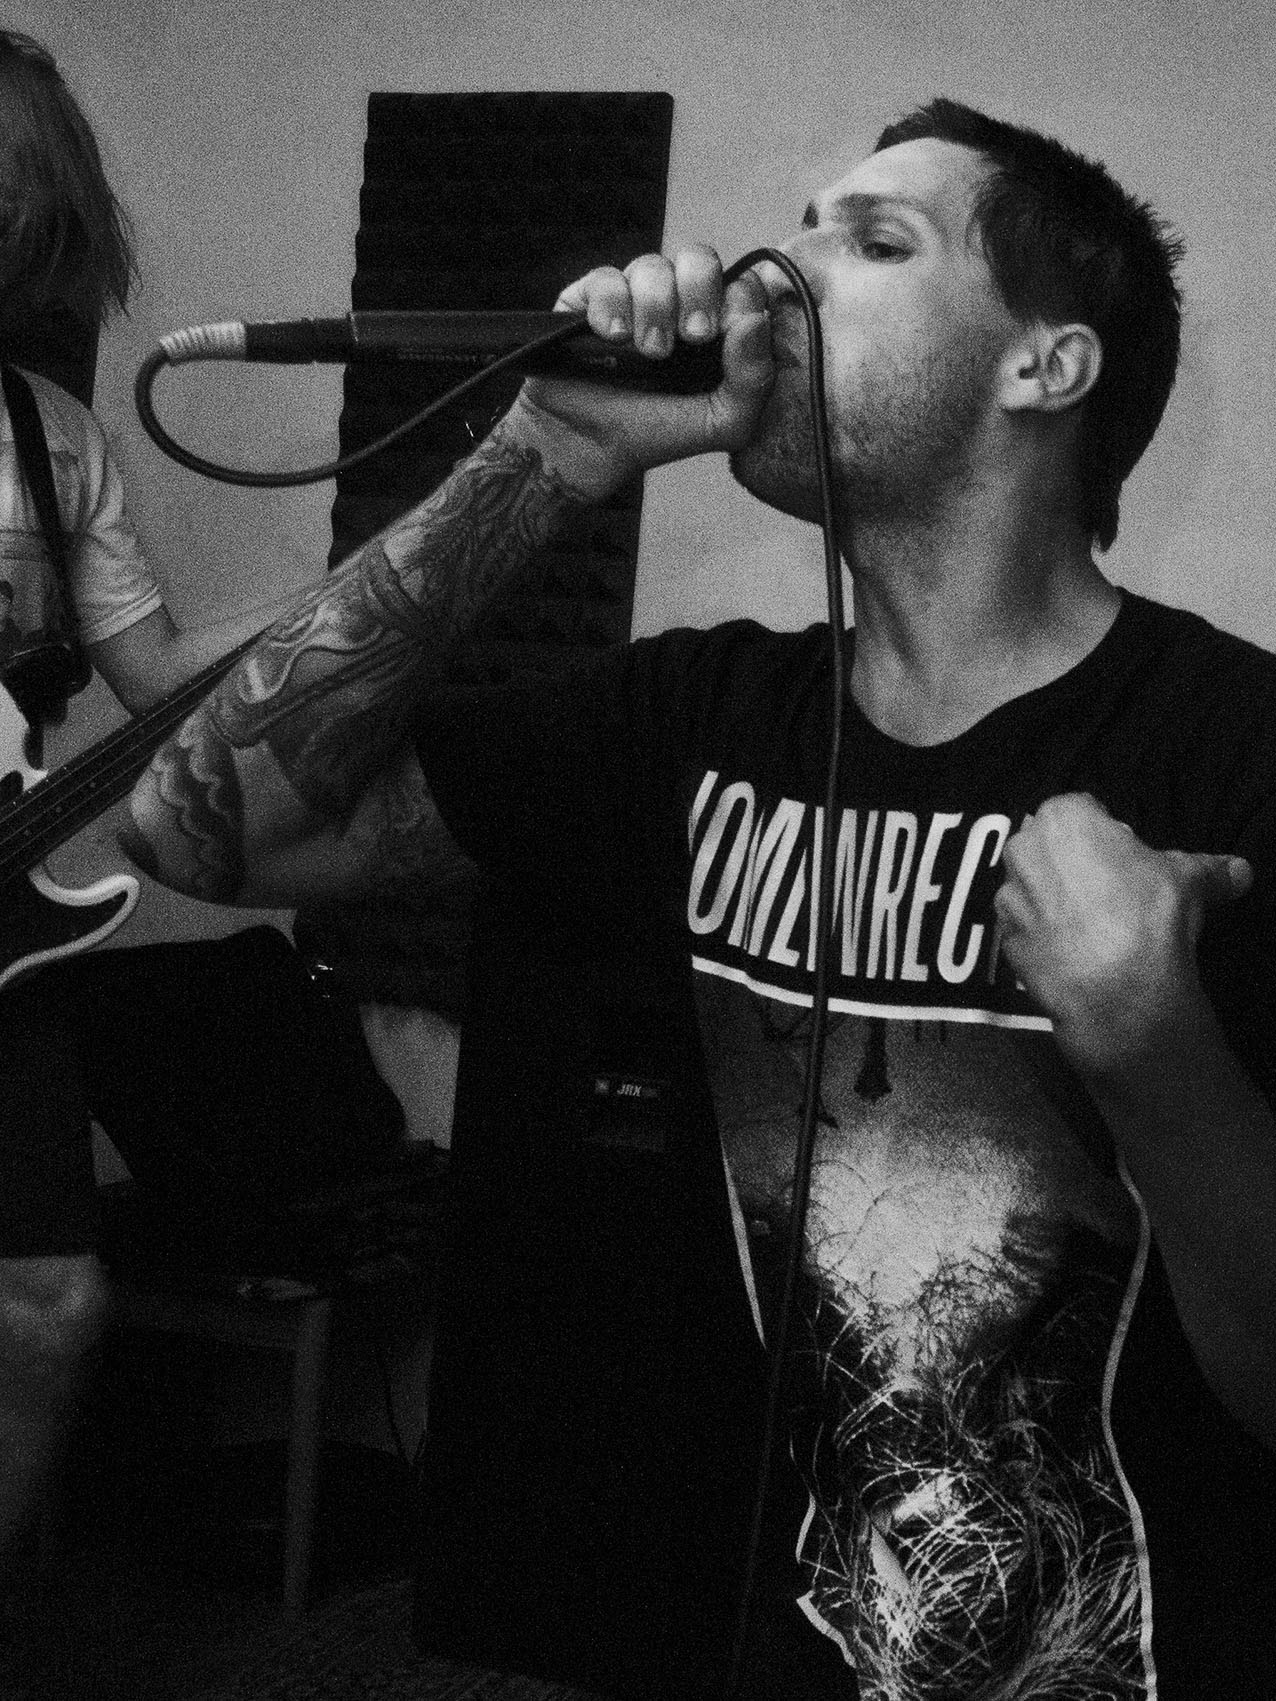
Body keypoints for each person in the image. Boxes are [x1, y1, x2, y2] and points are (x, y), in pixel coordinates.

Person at [123, 98, 1276, 1698]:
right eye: (799, 223)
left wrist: (1156, 1048)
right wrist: (544, 456)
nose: (769, 272)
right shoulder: (690, 720)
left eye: (873, 241)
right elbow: (201, 830)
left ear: (1047, 364)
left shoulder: (1233, 757)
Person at [0, 28, 389, 1572]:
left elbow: (152, 668)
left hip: (5, 947)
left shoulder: (54, 438)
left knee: (48, 1304)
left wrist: (340, 588)